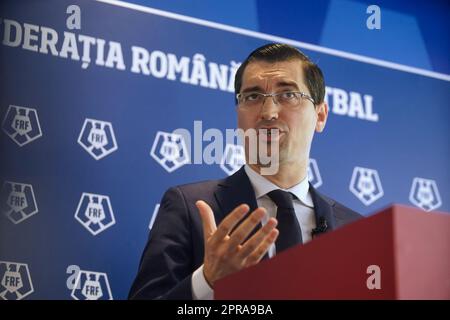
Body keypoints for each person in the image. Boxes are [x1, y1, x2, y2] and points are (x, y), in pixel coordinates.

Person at [128, 43, 362, 300]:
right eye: (252, 97)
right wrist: (207, 282)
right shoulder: (189, 208)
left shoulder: (355, 231)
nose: (268, 112)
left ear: (320, 116)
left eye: (288, 95)